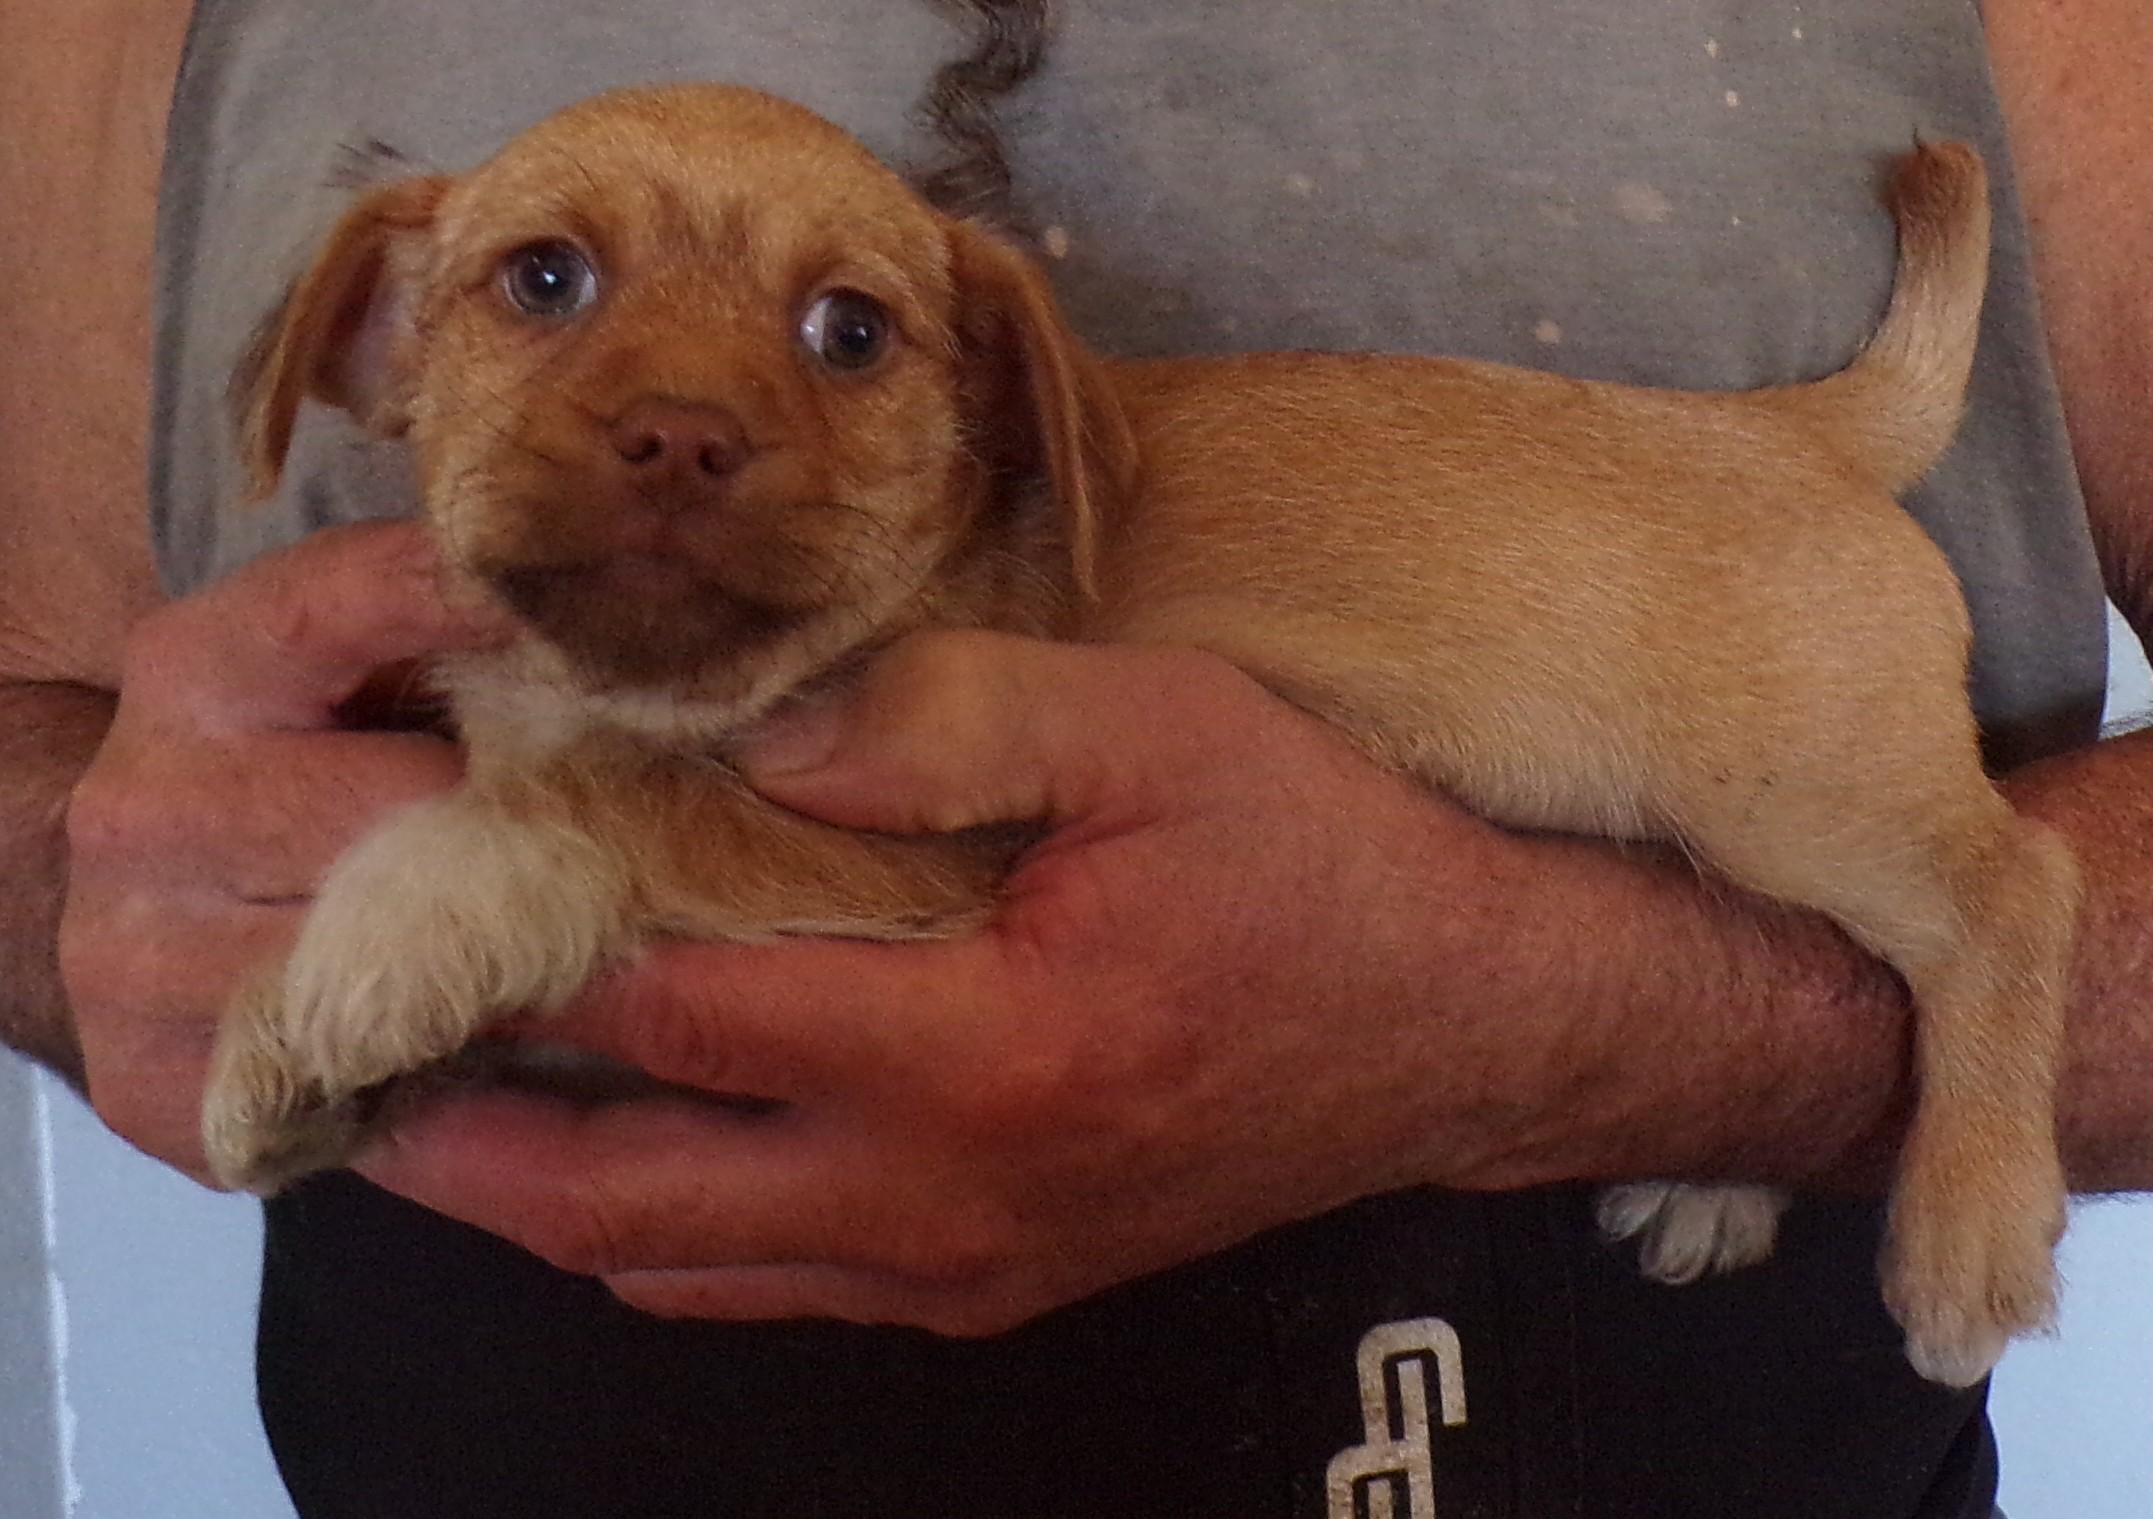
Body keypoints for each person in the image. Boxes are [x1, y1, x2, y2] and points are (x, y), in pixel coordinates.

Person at [5, 0, 2148, 1514]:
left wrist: (1655, 1038)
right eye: (542, 284)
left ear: (1009, 411)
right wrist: (85, 865)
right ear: (362, 342)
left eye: (853, 338)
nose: (677, 415)